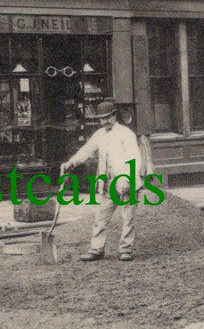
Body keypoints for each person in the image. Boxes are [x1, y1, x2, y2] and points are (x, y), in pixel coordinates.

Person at [59, 100, 152, 262]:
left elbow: (135, 159)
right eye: (101, 119)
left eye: (107, 117)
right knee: (100, 218)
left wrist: (126, 179)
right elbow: (87, 150)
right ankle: (96, 249)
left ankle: (126, 249)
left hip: (127, 181)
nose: (104, 121)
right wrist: (71, 162)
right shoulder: (99, 134)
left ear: (115, 116)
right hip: (107, 183)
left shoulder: (126, 134)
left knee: (128, 218)